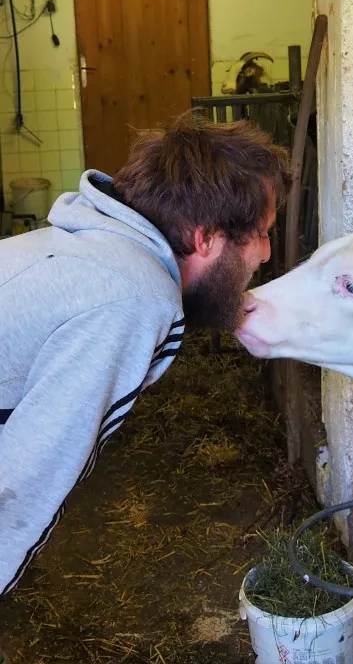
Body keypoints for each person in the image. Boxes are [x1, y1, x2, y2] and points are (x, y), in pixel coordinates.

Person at [0, 112, 290, 599]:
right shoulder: (133, 298)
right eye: (262, 233)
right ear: (205, 237)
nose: (264, 254)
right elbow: (21, 484)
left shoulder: (91, 245)